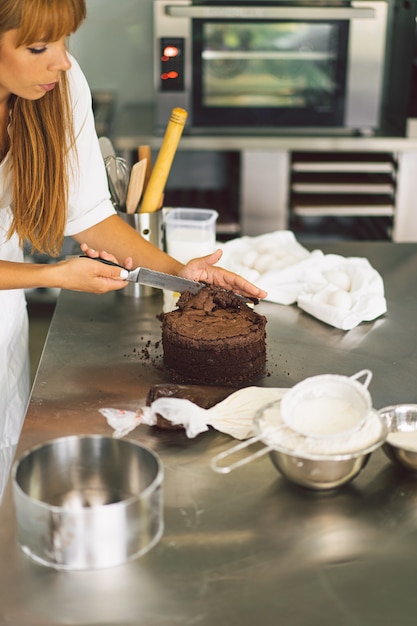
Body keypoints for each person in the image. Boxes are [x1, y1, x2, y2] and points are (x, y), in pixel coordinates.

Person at [0, 0, 266, 448]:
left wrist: (179, 275)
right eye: (38, 47)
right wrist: (52, 275)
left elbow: (91, 216)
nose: (63, 61)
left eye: (66, 40)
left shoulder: (57, 85)